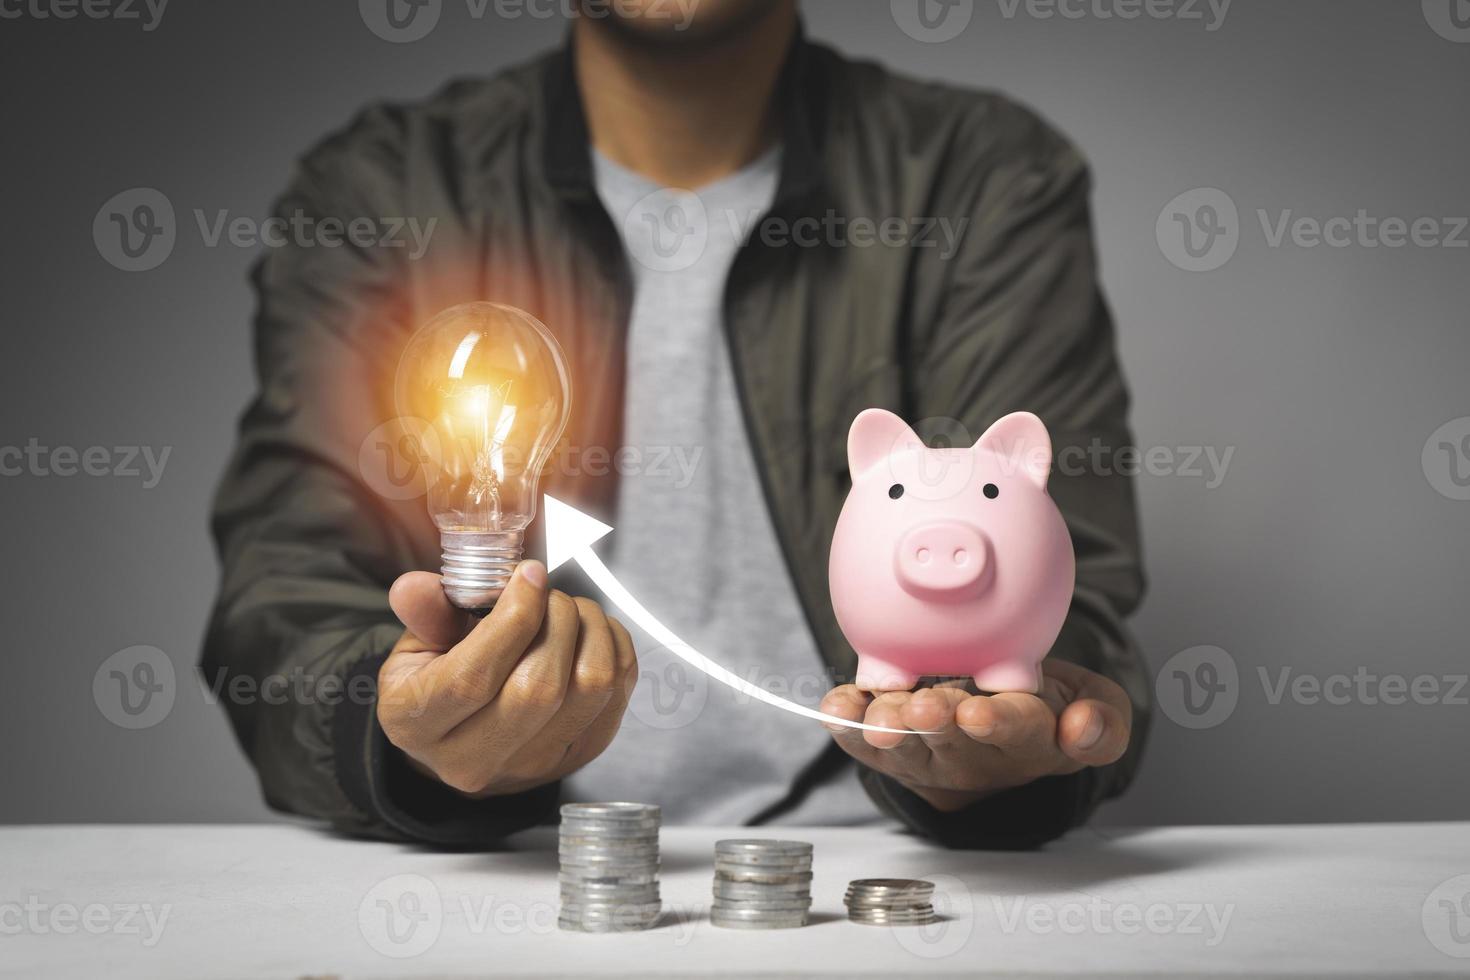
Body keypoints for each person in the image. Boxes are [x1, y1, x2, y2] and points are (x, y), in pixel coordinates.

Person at [203, 0, 1149, 849]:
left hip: (868, 876)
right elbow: (283, 588)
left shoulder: (979, 180)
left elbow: (1061, 586)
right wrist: (403, 728)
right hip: (521, 873)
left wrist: (991, 741)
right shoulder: (387, 191)